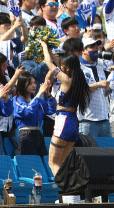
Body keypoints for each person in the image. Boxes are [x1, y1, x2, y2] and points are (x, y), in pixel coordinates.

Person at [40, 41, 91, 175]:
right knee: (62, 164)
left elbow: (48, 62)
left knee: (53, 163)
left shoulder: (67, 80)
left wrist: (44, 46)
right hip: (73, 122)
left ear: (67, 68)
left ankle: (65, 192)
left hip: (63, 121)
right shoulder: (79, 81)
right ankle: (69, 193)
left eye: (62, 65)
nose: (60, 67)